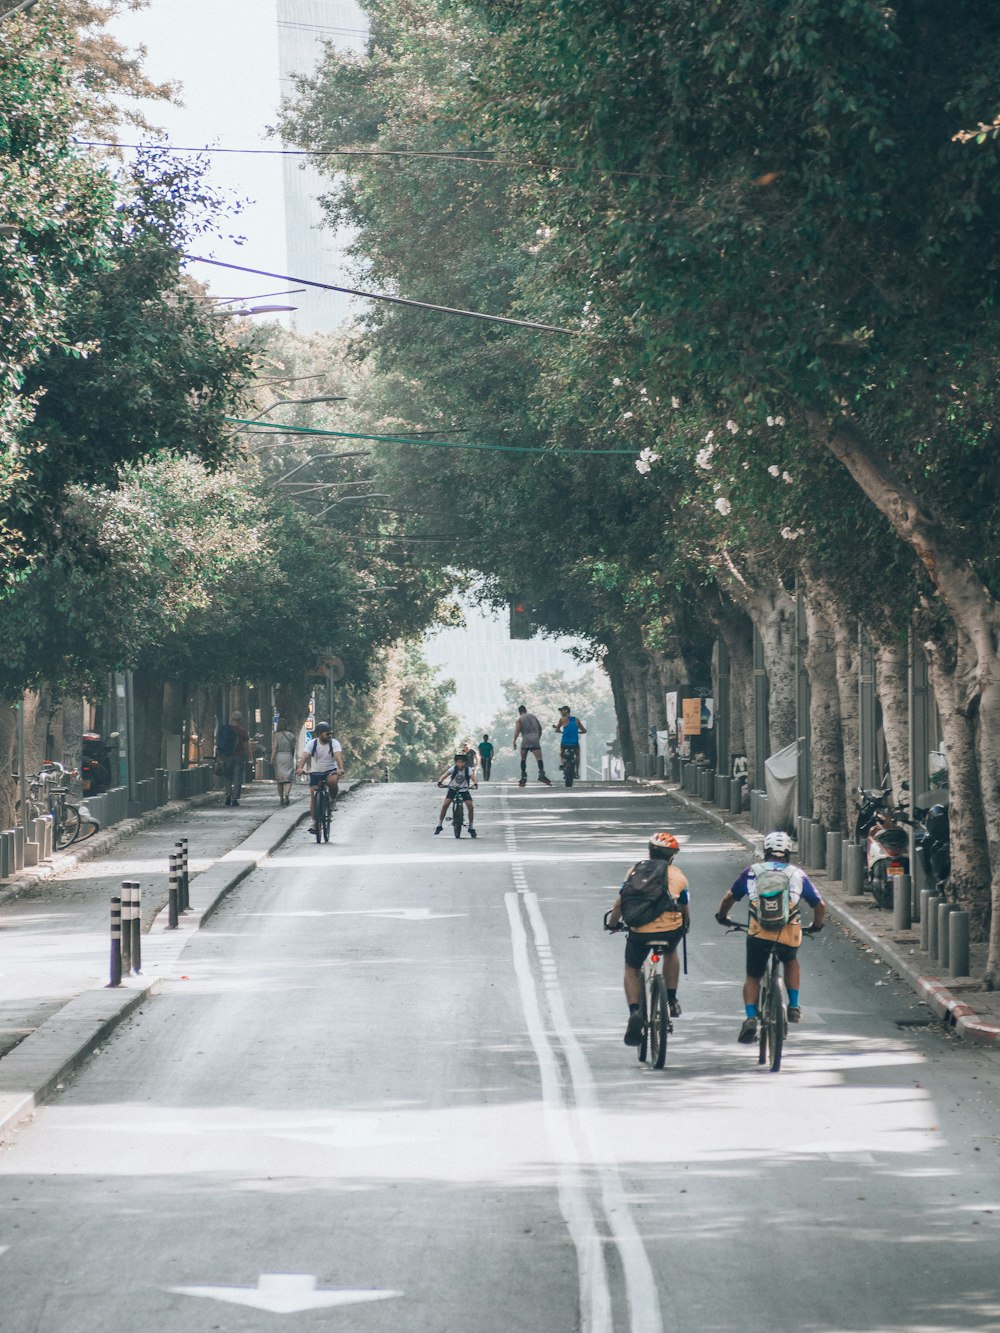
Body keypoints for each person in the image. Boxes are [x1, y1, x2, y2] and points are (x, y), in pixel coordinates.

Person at [715, 829, 826, 1043]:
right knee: (791, 960)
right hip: (789, 932)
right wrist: (817, 925)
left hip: (759, 932)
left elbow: (730, 898)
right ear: (788, 852)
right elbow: (819, 905)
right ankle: (793, 1006)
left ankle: (749, 1018)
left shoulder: (752, 871)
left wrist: (722, 916)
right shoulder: (797, 874)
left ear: (765, 851)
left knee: (753, 976)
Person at [605, 831, 689, 1044]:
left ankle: (635, 1012)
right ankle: (670, 998)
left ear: (650, 853)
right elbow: (684, 906)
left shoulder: (635, 871)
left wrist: (613, 923)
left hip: (640, 932)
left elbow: (620, 903)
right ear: (671, 857)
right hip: (670, 930)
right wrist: (685, 925)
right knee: (671, 952)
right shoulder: (679, 875)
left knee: (632, 967)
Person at [296, 722, 345, 834]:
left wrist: (340, 769)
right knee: (313, 797)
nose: (329, 736)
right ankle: (315, 823)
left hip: (330, 770)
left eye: (330, 733)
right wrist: (300, 768)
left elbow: (338, 756)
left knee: (332, 782)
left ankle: (332, 800)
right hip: (316, 772)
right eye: (327, 734)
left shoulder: (334, 743)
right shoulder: (312, 744)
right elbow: (304, 756)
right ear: (319, 734)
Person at [435, 752, 478, 837]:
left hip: (464, 789)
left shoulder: (468, 769)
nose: (460, 763)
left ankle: (471, 827)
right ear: (455, 762)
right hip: (453, 789)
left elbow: (473, 777)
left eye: (462, 762)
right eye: (458, 762)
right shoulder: (453, 769)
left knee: (470, 806)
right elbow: (444, 775)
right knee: (445, 805)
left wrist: (475, 784)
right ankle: (439, 825)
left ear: (465, 762)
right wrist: (440, 782)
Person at [216, 711, 252, 808]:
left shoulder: (225, 729)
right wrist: (248, 756)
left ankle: (228, 795)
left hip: (227, 756)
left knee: (228, 776)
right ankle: (235, 798)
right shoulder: (243, 731)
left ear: (231, 718)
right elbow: (245, 746)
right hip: (239, 757)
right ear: (240, 720)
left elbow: (220, 743)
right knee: (238, 778)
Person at [512, 704, 551, 787]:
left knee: (523, 759)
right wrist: (538, 738)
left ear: (519, 712)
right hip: (535, 740)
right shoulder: (533, 717)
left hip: (526, 740)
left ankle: (523, 776)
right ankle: (541, 774)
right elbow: (540, 728)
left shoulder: (519, 720)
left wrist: (514, 741)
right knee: (539, 758)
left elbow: (517, 731)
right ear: (526, 710)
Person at [553, 705, 587, 779]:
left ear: (566, 710)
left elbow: (557, 729)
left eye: (562, 711)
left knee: (561, 752)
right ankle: (577, 772)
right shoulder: (576, 720)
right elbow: (584, 730)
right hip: (574, 743)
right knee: (577, 754)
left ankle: (562, 764)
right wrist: (579, 732)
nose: (561, 712)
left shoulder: (562, 720)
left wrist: (558, 730)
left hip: (565, 743)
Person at [271, 716, 296, 807]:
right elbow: (293, 748)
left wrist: (272, 758)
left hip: (279, 756)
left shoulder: (276, 735)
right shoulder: (291, 735)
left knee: (280, 780)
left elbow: (275, 748)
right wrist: (291, 756)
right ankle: (287, 795)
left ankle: (281, 798)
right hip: (288, 756)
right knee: (288, 778)